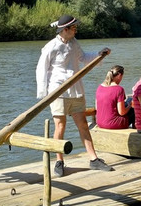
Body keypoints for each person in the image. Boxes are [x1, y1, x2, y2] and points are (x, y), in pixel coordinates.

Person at [36, 15, 113, 177]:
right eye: (74, 27)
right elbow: (41, 70)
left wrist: (99, 54)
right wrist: (43, 94)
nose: (76, 29)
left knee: (83, 124)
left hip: (76, 90)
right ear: (65, 30)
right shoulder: (51, 46)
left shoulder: (74, 43)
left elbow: (83, 58)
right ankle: (59, 161)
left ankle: (93, 159)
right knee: (60, 126)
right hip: (58, 91)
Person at [95, 65, 133, 129]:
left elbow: (96, 107)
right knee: (133, 108)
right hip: (113, 124)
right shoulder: (119, 89)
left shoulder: (100, 87)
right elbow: (122, 112)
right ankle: (138, 131)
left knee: (126, 103)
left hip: (100, 123)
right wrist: (130, 105)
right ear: (119, 75)